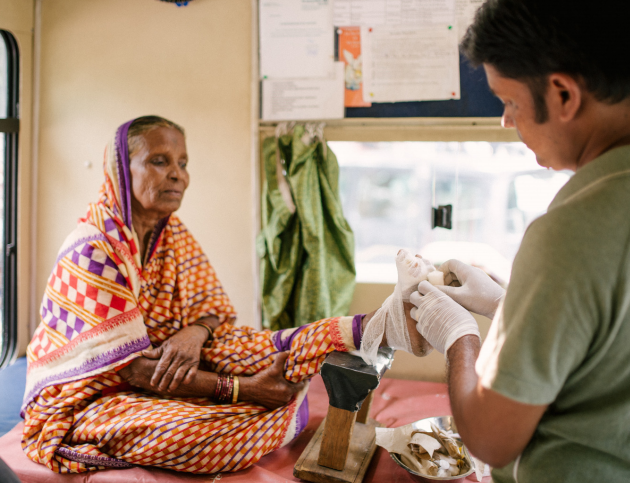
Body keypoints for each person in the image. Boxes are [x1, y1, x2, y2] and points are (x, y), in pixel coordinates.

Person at [22, 116, 430, 474]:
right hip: (91, 396)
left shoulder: (171, 232)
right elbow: (134, 373)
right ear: (120, 171)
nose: (178, 175)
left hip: (164, 359)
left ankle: (374, 326)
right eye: (159, 161)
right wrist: (246, 390)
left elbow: (213, 310)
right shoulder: (93, 248)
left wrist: (194, 333)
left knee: (260, 347)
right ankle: (270, 401)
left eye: (182, 163)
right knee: (207, 434)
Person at [409, 1, 630, 482]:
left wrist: (459, 339)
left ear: (563, 94)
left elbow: (491, 438)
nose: (506, 122)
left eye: (508, 102)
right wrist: (507, 305)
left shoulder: (572, 230)